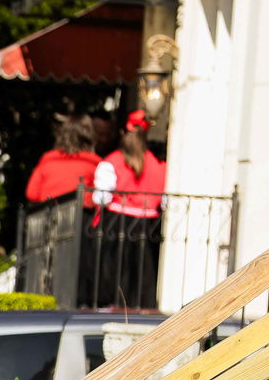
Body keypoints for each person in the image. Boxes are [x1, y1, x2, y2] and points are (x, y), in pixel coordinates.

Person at [90, 109, 167, 308]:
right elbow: (164, 200)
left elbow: (102, 197)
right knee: (143, 274)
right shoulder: (159, 164)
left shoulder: (112, 161)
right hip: (148, 224)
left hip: (117, 222)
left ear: (124, 133)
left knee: (114, 274)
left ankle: (111, 305)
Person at [25, 115, 101, 206]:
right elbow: (98, 198)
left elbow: (32, 194)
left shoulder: (48, 159)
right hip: (79, 217)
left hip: (49, 215)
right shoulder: (95, 164)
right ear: (89, 137)